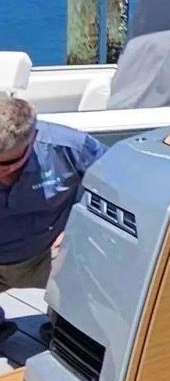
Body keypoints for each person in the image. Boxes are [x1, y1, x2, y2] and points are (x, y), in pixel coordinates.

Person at [0, 96, 105, 341]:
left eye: (8, 163)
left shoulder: (71, 147)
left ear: (33, 138)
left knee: (105, 255)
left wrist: (82, 224)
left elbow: (122, 185)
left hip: (48, 254)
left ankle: (67, 330)